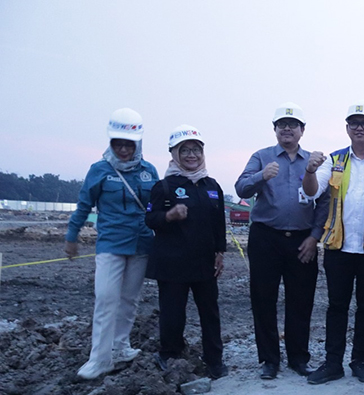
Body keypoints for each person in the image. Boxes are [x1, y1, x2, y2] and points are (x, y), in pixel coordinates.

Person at [302, 101, 364, 385]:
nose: (359, 128)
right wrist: (309, 171)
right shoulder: (334, 160)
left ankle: (360, 360)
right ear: (347, 128)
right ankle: (333, 363)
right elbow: (312, 192)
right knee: (337, 306)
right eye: (354, 123)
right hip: (339, 248)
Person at [235, 103, 329, 380]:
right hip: (266, 237)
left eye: (293, 124)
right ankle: (269, 359)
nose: (287, 129)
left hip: (302, 240)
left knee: (301, 300)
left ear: (302, 130)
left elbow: (324, 202)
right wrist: (261, 176)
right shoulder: (261, 157)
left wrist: (314, 237)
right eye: (282, 125)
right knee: (263, 298)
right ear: (274, 129)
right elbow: (241, 188)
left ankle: (298, 358)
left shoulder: (313, 161)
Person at [65, 108, 159, 379]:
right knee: (106, 299)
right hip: (110, 244)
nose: (124, 150)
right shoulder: (99, 170)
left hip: (141, 244)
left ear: (138, 143)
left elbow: (158, 207)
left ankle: (120, 347)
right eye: (118, 144)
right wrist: (71, 236)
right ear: (111, 142)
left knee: (129, 299)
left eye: (129, 144)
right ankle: (99, 359)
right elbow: (84, 205)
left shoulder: (149, 171)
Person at [145, 126, 228, 378]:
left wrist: (220, 252)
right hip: (172, 264)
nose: (191, 155)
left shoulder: (211, 185)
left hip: (204, 263)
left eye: (196, 150)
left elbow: (219, 224)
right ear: (175, 153)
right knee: (173, 314)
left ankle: (214, 359)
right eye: (185, 150)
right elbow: (150, 219)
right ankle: (170, 355)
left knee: (210, 313)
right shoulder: (164, 186)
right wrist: (169, 216)